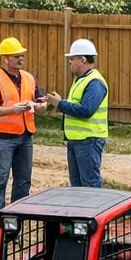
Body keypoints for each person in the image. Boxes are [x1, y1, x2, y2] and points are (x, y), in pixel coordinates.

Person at [0, 37, 48, 225]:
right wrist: (13, 109)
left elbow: (40, 100)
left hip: (25, 135)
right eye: (16, 56)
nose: (21, 59)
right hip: (3, 137)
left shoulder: (28, 77)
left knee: (23, 177)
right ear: (5, 59)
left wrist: (40, 106)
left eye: (22, 56)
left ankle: (18, 212)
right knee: (1, 176)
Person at [46, 39, 108, 188]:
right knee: (78, 186)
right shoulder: (81, 80)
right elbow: (77, 105)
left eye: (72, 59)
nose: (70, 63)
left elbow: (86, 110)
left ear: (82, 60)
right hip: (78, 140)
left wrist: (60, 103)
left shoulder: (95, 82)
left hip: (88, 140)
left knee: (89, 185)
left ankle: (93, 211)